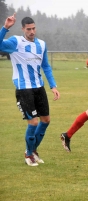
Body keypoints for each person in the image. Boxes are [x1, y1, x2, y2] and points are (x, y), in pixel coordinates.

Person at [0, 14, 60, 166]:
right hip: (23, 89)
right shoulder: (16, 42)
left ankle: (33, 151)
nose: (32, 31)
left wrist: (53, 86)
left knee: (45, 120)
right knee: (33, 123)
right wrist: (5, 27)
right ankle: (28, 153)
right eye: (28, 29)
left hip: (39, 88)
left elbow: (45, 66)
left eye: (33, 28)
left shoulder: (42, 44)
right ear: (23, 29)